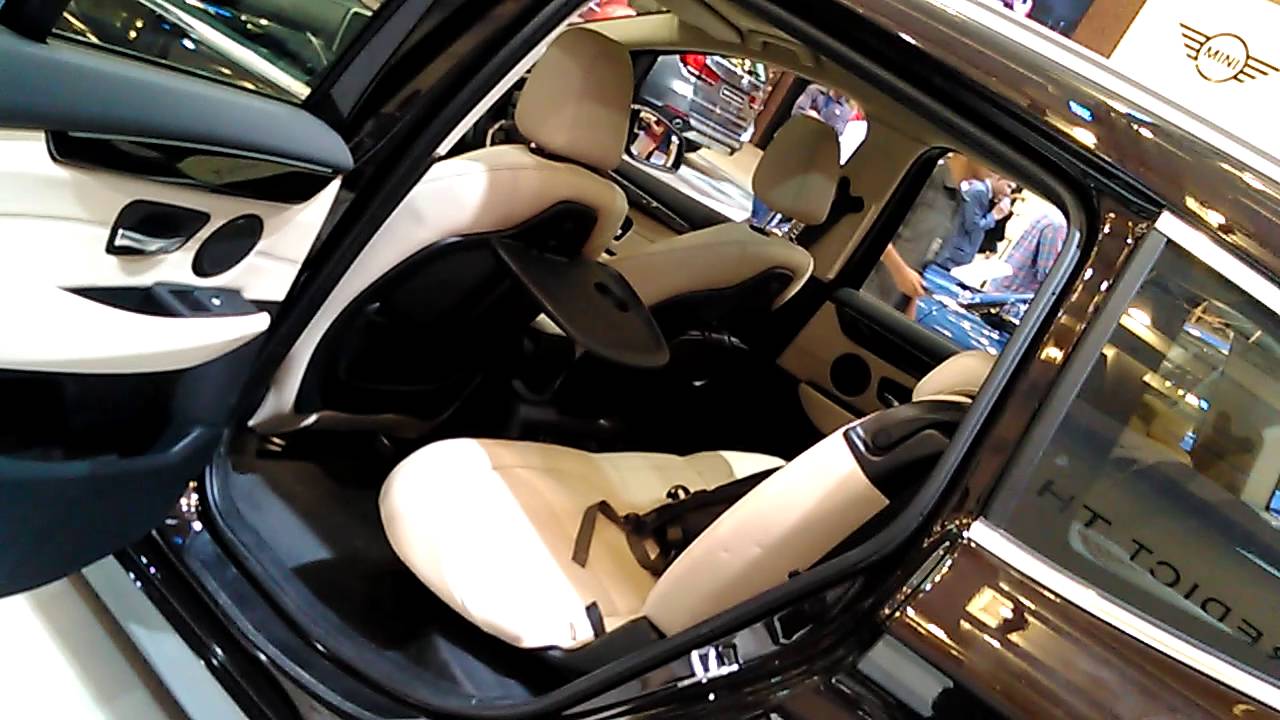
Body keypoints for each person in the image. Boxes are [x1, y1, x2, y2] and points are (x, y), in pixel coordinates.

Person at [932, 172, 1014, 271]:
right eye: (1008, 186)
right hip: (951, 256)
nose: (1008, 193)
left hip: (957, 256)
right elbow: (973, 226)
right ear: (999, 178)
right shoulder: (980, 191)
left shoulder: (985, 194)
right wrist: (994, 215)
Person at [988, 204, 1067, 294]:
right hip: (1016, 294)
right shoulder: (1059, 227)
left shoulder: (1049, 215)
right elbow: (1046, 274)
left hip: (1004, 286)